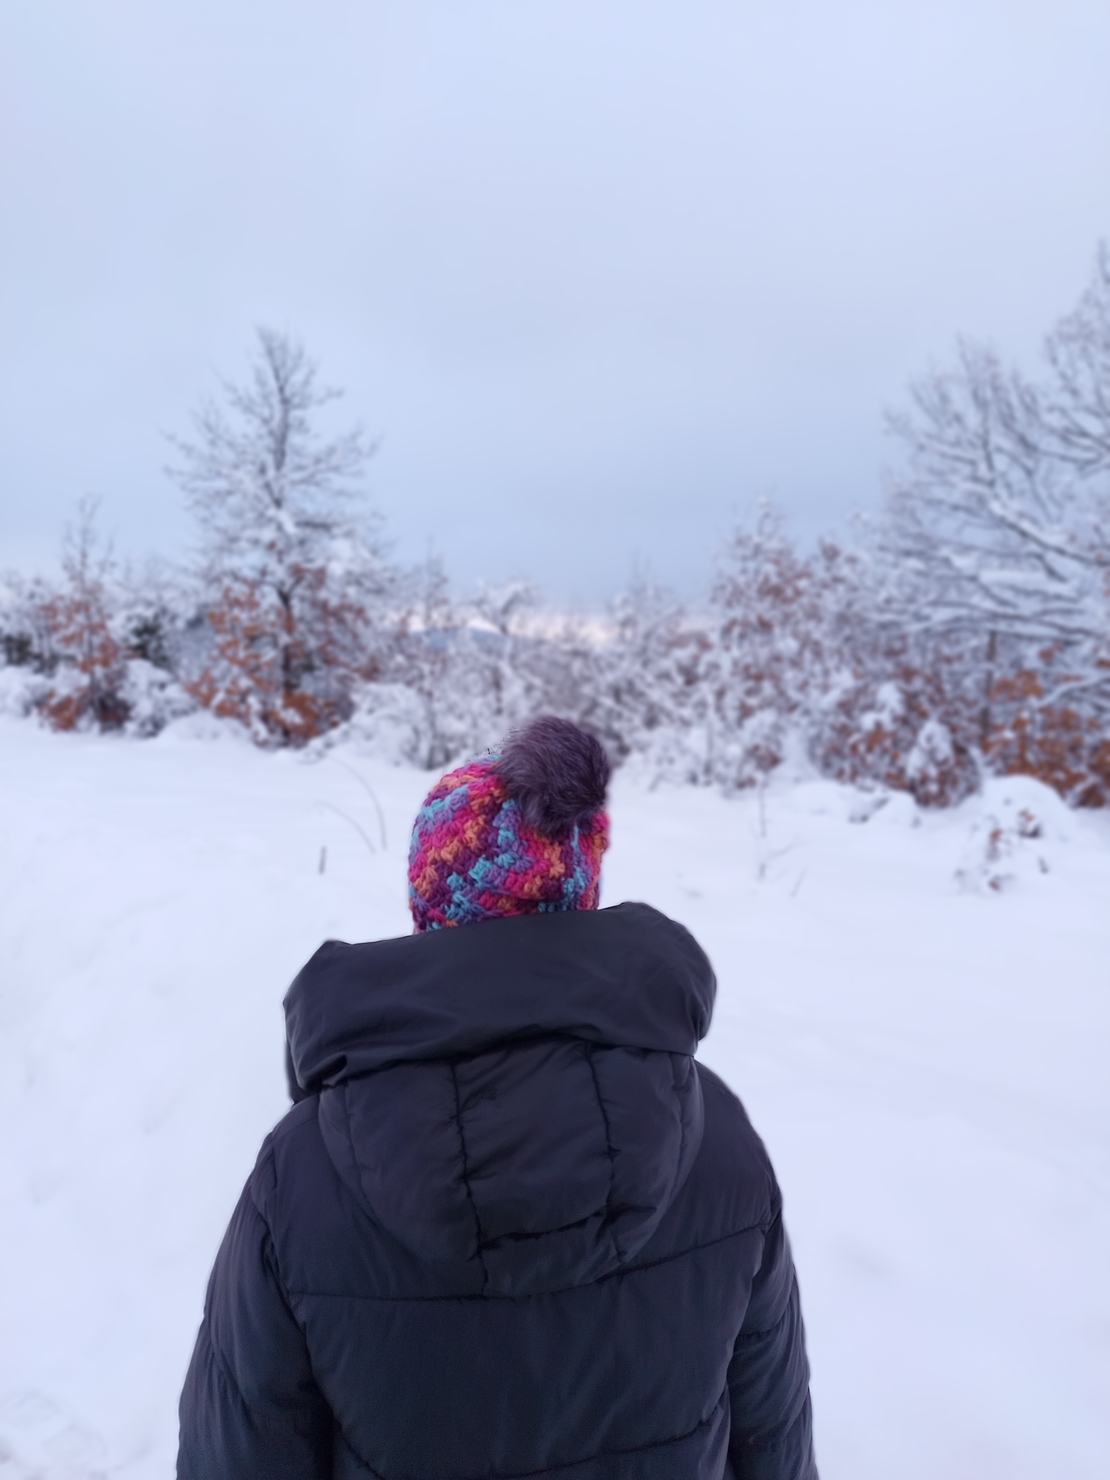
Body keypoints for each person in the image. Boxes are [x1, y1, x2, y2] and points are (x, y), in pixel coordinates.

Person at [178, 715, 818, 1479]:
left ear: (430, 905)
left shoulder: (306, 1168)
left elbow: (241, 1449)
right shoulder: (717, 1137)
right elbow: (773, 1432)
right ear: (582, 897)